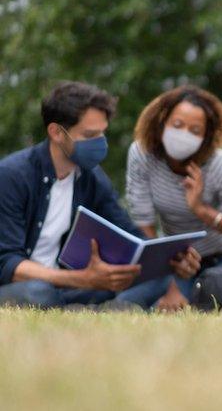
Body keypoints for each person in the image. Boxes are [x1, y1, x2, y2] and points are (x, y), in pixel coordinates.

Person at [0, 82, 171, 309]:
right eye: (90, 134)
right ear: (56, 132)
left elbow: (129, 237)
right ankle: (107, 309)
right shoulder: (12, 175)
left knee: (160, 278)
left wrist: (170, 257)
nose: (100, 142)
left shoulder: (92, 178)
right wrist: (83, 278)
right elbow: (8, 265)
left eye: (102, 133)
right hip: (25, 285)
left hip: (71, 286)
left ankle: (105, 310)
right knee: (38, 292)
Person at [125, 85, 222, 311]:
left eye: (195, 130)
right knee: (133, 302)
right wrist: (170, 275)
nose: (183, 134)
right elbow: (143, 223)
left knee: (208, 297)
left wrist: (201, 209)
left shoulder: (220, 164)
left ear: (206, 136)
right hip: (179, 263)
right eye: (178, 125)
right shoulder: (142, 154)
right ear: (162, 122)